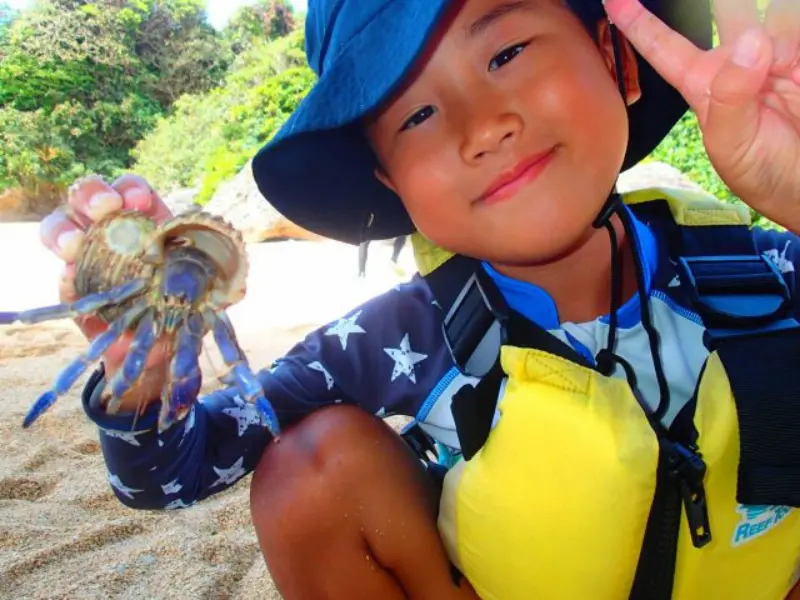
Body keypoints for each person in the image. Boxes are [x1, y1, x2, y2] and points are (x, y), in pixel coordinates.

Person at [36, 0, 800, 598]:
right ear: (390, 183)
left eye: (505, 52)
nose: (482, 127)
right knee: (309, 468)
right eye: (417, 114)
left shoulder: (766, 266)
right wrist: (143, 372)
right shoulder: (399, 335)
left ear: (615, 57)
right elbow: (173, 475)